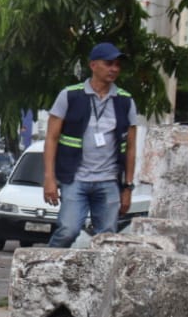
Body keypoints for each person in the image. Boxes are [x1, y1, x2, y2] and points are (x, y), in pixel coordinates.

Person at [42, 41, 141, 248]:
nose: (114, 69)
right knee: (68, 230)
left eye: (117, 65)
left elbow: (131, 147)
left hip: (108, 180)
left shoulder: (125, 101)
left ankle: (98, 271)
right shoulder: (70, 95)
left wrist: (128, 187)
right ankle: (47, 264)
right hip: (75, 179)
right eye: (109, 63)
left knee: (107, 239)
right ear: (93, 65)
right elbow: (51, 138)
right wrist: (49, 178)